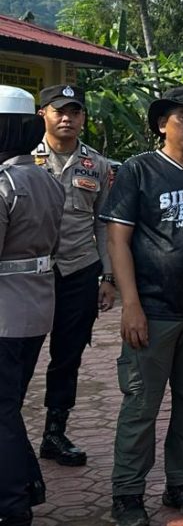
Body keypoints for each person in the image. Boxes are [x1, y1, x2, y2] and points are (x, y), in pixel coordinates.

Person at [100, 86, 183, 526]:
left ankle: (182, 483)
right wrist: (130, 305)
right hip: (153, 312)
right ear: (162, 124)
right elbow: (118, 240)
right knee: (141, 405)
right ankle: (128, 492)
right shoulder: (138, 172)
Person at [31, 84, 116, 469]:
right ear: (43, 115)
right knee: (19, 353)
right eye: (59, 111)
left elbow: (103, 224)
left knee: (67, 356)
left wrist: (108, 276)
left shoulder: (97, 165)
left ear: (83, 117)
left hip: (79, 271)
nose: (67, 118)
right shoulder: (21, 160)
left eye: (74, 111)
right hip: (30, 275)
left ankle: (54, 432)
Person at [0, 85, 65, 526]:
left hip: (3, 315)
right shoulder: (46, 178)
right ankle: (27, 487)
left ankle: (13, 503)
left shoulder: (4, 183)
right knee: (7, 406)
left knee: (1, 410)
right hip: (38, 308)